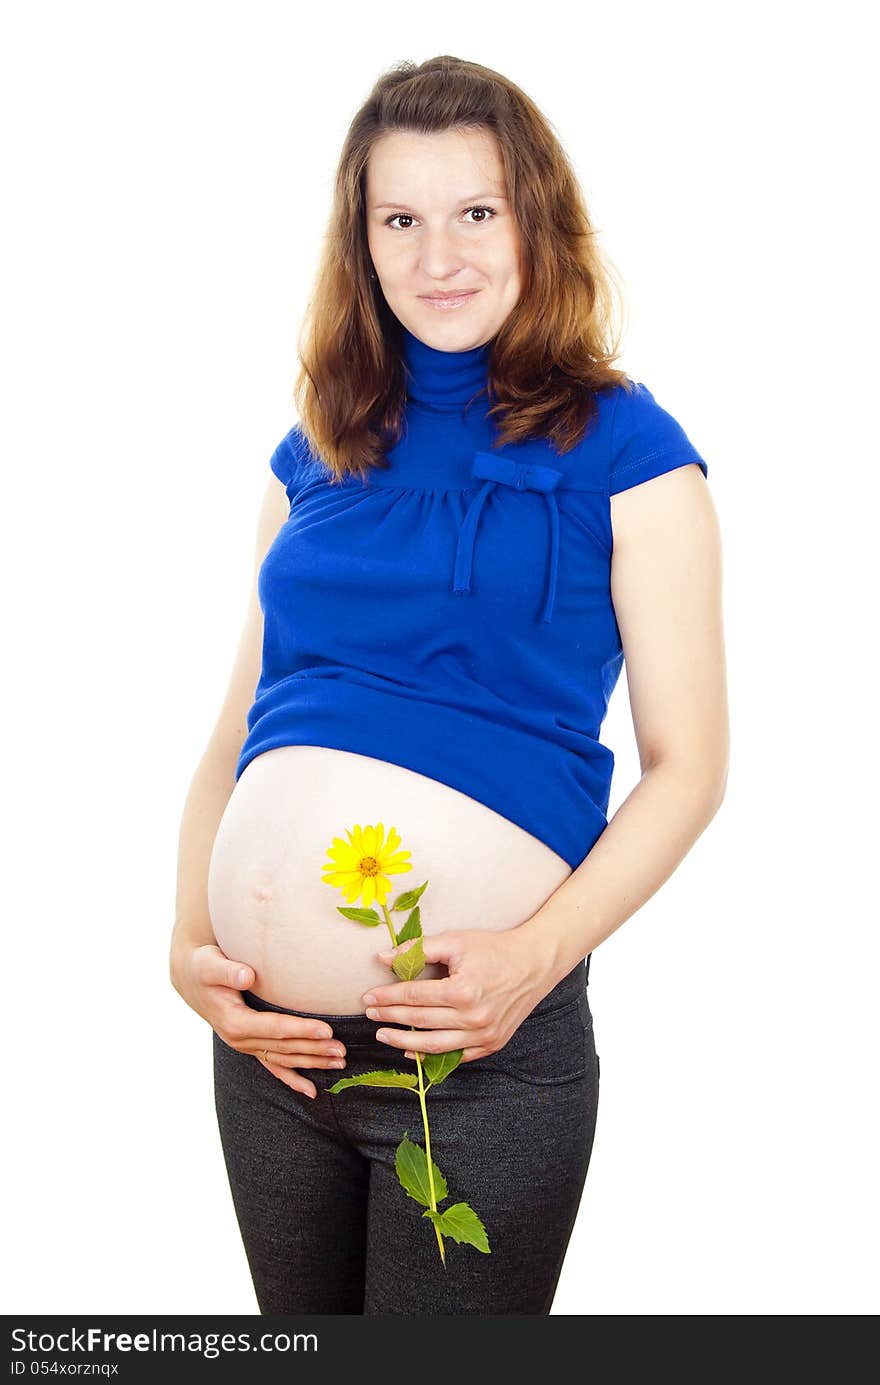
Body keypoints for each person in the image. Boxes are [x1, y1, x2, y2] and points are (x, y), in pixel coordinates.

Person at [170, 54, 728, 1315]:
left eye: (475, 212)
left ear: (534, 216)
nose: (439, 257)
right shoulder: (316, 442)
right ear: (360, 241)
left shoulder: (633, 453)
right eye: (398, 220)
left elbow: (689, 766)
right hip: (272, 1054)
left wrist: (535, 956)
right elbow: (233, 738)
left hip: (475, 1056)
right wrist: (187, 942)